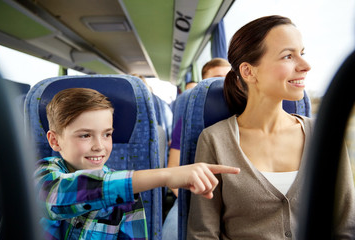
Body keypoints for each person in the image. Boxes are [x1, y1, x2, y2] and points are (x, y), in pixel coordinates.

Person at [187, 15, 355, 239]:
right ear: (248, 72)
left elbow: (346, 226)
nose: (306, 66)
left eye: (301, 54)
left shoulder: (322, 135)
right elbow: (202, 234)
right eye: (288, 56)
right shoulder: (214, 140)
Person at [34, 88, 240, 240]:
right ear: (54, 140)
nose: (99, 146)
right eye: (85, 135)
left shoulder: (128, 197)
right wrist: (166, 176)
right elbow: (58, 195)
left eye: (107, 134)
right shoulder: (43, 174)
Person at [162, 58, 231, 240]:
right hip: (193, 197)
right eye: (217, 79)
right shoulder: (187, 123)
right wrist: (186, 199)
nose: (224, 84)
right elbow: (173, 169)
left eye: (229, 77)